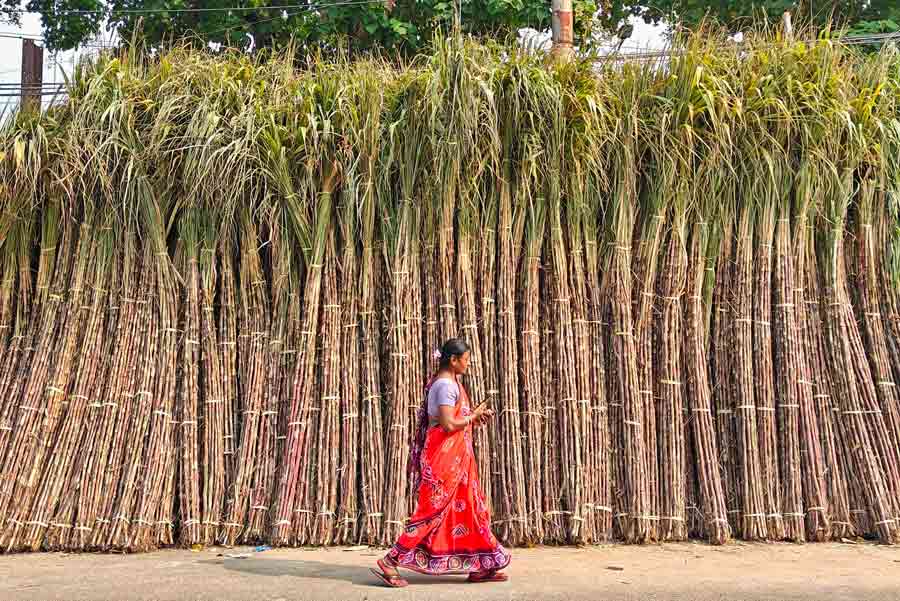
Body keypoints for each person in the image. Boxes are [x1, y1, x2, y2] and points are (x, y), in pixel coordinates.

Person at [371, 338, 510, 587]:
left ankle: (481, 564)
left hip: (457, 460)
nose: (468, 364)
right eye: (465, 359)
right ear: (453, 360)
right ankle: (390, 561)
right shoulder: (445, 385)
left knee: (470, 508)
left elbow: (452, 422)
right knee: (431, 513)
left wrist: (474, 419)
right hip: (443, 461)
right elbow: (447, 424)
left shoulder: (452, 383)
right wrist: (473, 416)